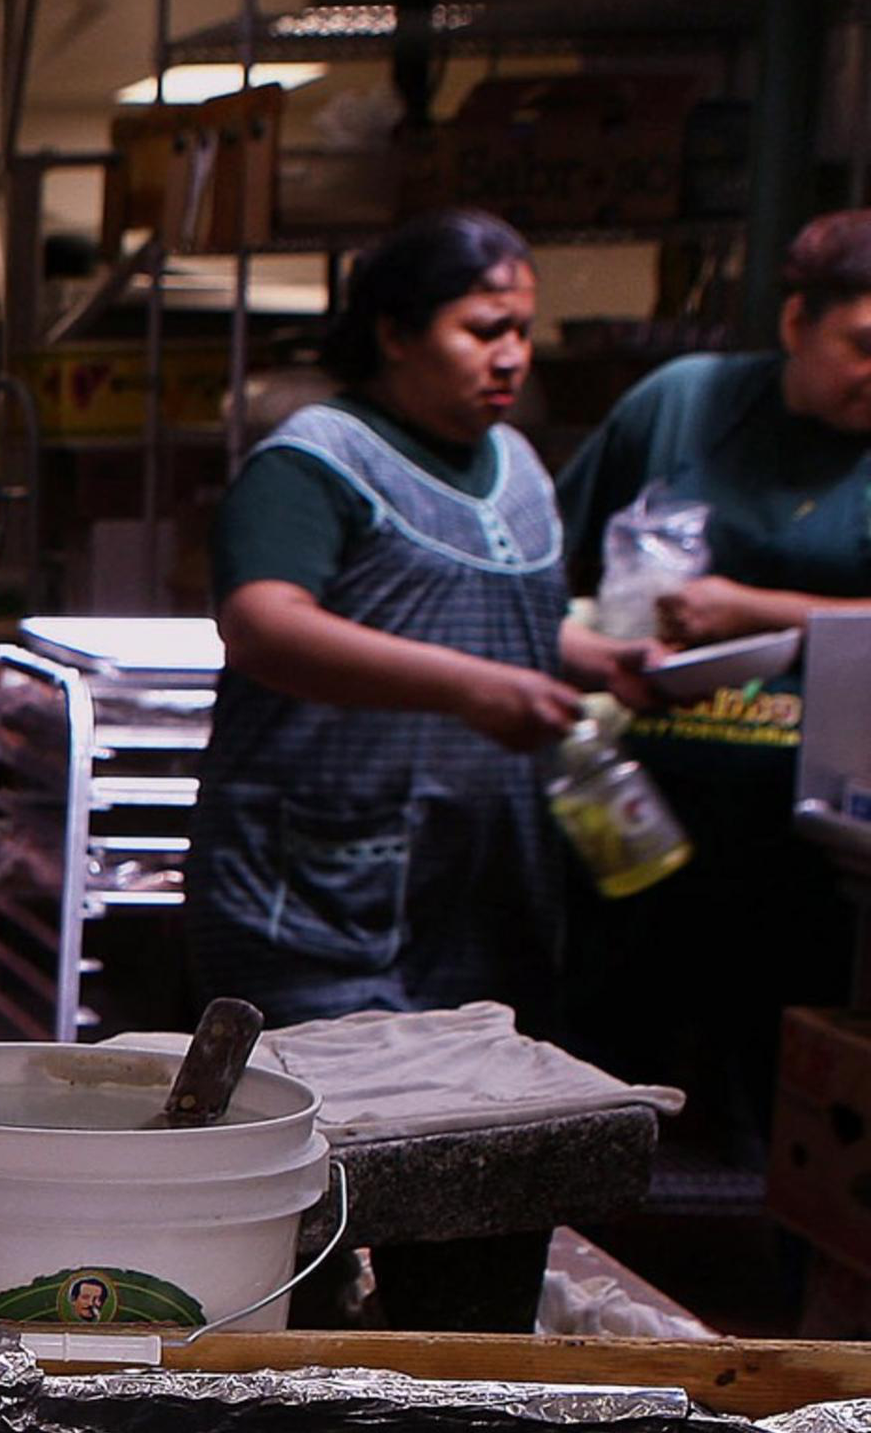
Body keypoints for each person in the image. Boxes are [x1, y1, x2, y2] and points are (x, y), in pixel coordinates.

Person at [184, 207, 644, 1026]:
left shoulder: (520, 465)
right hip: (323, 883)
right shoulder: (316, 460)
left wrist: (601, 662)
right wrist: (469, 690)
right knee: (335, 1125)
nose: (510, 356)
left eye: (522, 332)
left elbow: (499, 620)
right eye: (481, 330)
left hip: (480, 881)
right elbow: (262, 624)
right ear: (395, 334)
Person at [557, 208, 871, 1159]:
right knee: (601, 1077)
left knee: (779, 1102)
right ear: (793, 326)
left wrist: (752, 610)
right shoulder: (682, 405)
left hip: (813, 842)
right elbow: (540, 570)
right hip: (631, 805)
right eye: (859, 345)